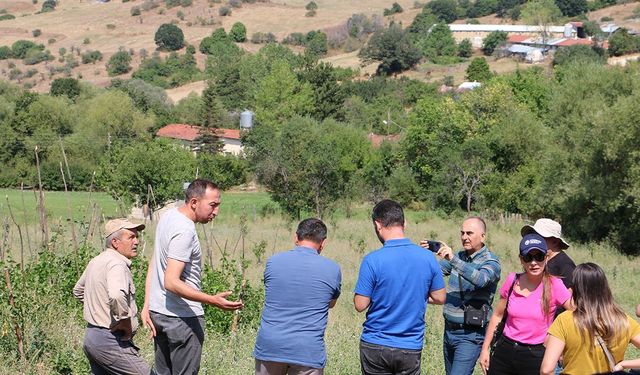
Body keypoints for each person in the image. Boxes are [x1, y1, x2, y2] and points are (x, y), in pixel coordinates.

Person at [141, 179, 243, 375]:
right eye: (212, 205)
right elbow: (171, 281)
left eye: (218, 206)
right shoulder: (185, 230)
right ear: (194, 202)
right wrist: (212, 300)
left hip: (160, 314)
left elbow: (155, 261)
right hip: (182, 319)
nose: (216, 212)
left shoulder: (168, 217)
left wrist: (148, 304)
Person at [354, 199, 446, 375]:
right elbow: (440, 298)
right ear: (405, 223)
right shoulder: (427, 257)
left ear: (377, 225)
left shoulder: (372, 260)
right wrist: (414, 293)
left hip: (375, 344)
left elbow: (360, 305)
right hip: (410, 346)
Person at [253, 218, 341, 375]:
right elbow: (330, 303)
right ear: (323, 242)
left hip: (271, 346)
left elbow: (273, 291)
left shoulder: (273, 262)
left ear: (296, 237)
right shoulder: (332, 268)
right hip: (307, 350)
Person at [478, 233, 572, 375]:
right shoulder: (512, 280)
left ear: (546, 257)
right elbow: (497, 315)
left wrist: (556, 338)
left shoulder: (555, 285)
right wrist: (485, 349)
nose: (533, 263)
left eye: (539, 256)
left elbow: (576, 314)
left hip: (535, 356)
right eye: (528, 258)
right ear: (521, 260)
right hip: (504, 350)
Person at [420, 217, 501, 375]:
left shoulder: (491, 262)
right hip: (449, 331)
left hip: (470, 335)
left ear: (483, 236)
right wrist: (423, 255)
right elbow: (432, 271)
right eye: (462, 233)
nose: (464, 237)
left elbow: (481, 279)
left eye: (469, 233)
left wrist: (452, 259)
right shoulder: (460, 257)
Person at [73, 219, 154, 375]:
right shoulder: (117, 264)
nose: (136, 242)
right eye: (131, 237)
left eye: (136, 237)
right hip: (110, 341)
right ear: (115, 242)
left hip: (92, 338)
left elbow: (78, 290)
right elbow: (117, 295)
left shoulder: (97, 260)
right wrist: (123, 320)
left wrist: (100, 307)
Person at [541, 263, 640, 375]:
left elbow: (546, 370)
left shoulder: (564, 320)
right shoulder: (623, 320)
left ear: (576, 288)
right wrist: (624, 364)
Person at [521, 219, 575, 290]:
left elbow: (571, 296)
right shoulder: (538, 260)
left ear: (555, 241)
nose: (535, 240)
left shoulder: (565, 266)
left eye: (539, 237)